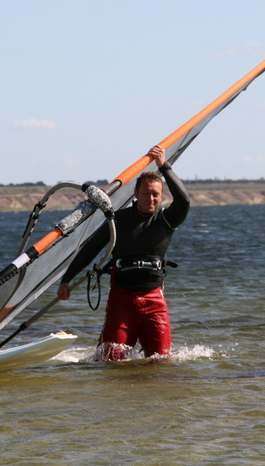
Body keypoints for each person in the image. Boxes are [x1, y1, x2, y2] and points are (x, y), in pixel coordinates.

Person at [57, 145, 190, 361]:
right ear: (136, 194)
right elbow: (90, 249)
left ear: (162, 196)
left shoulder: (166, 220)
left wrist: (163, 165)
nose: (151, 198)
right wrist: (66, 280)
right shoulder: (117, 220)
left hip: (154, 301)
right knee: (112, 359)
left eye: (156, 194)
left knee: (160, 360)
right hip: (122, 301)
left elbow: (184, 200)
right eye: (146, 193)